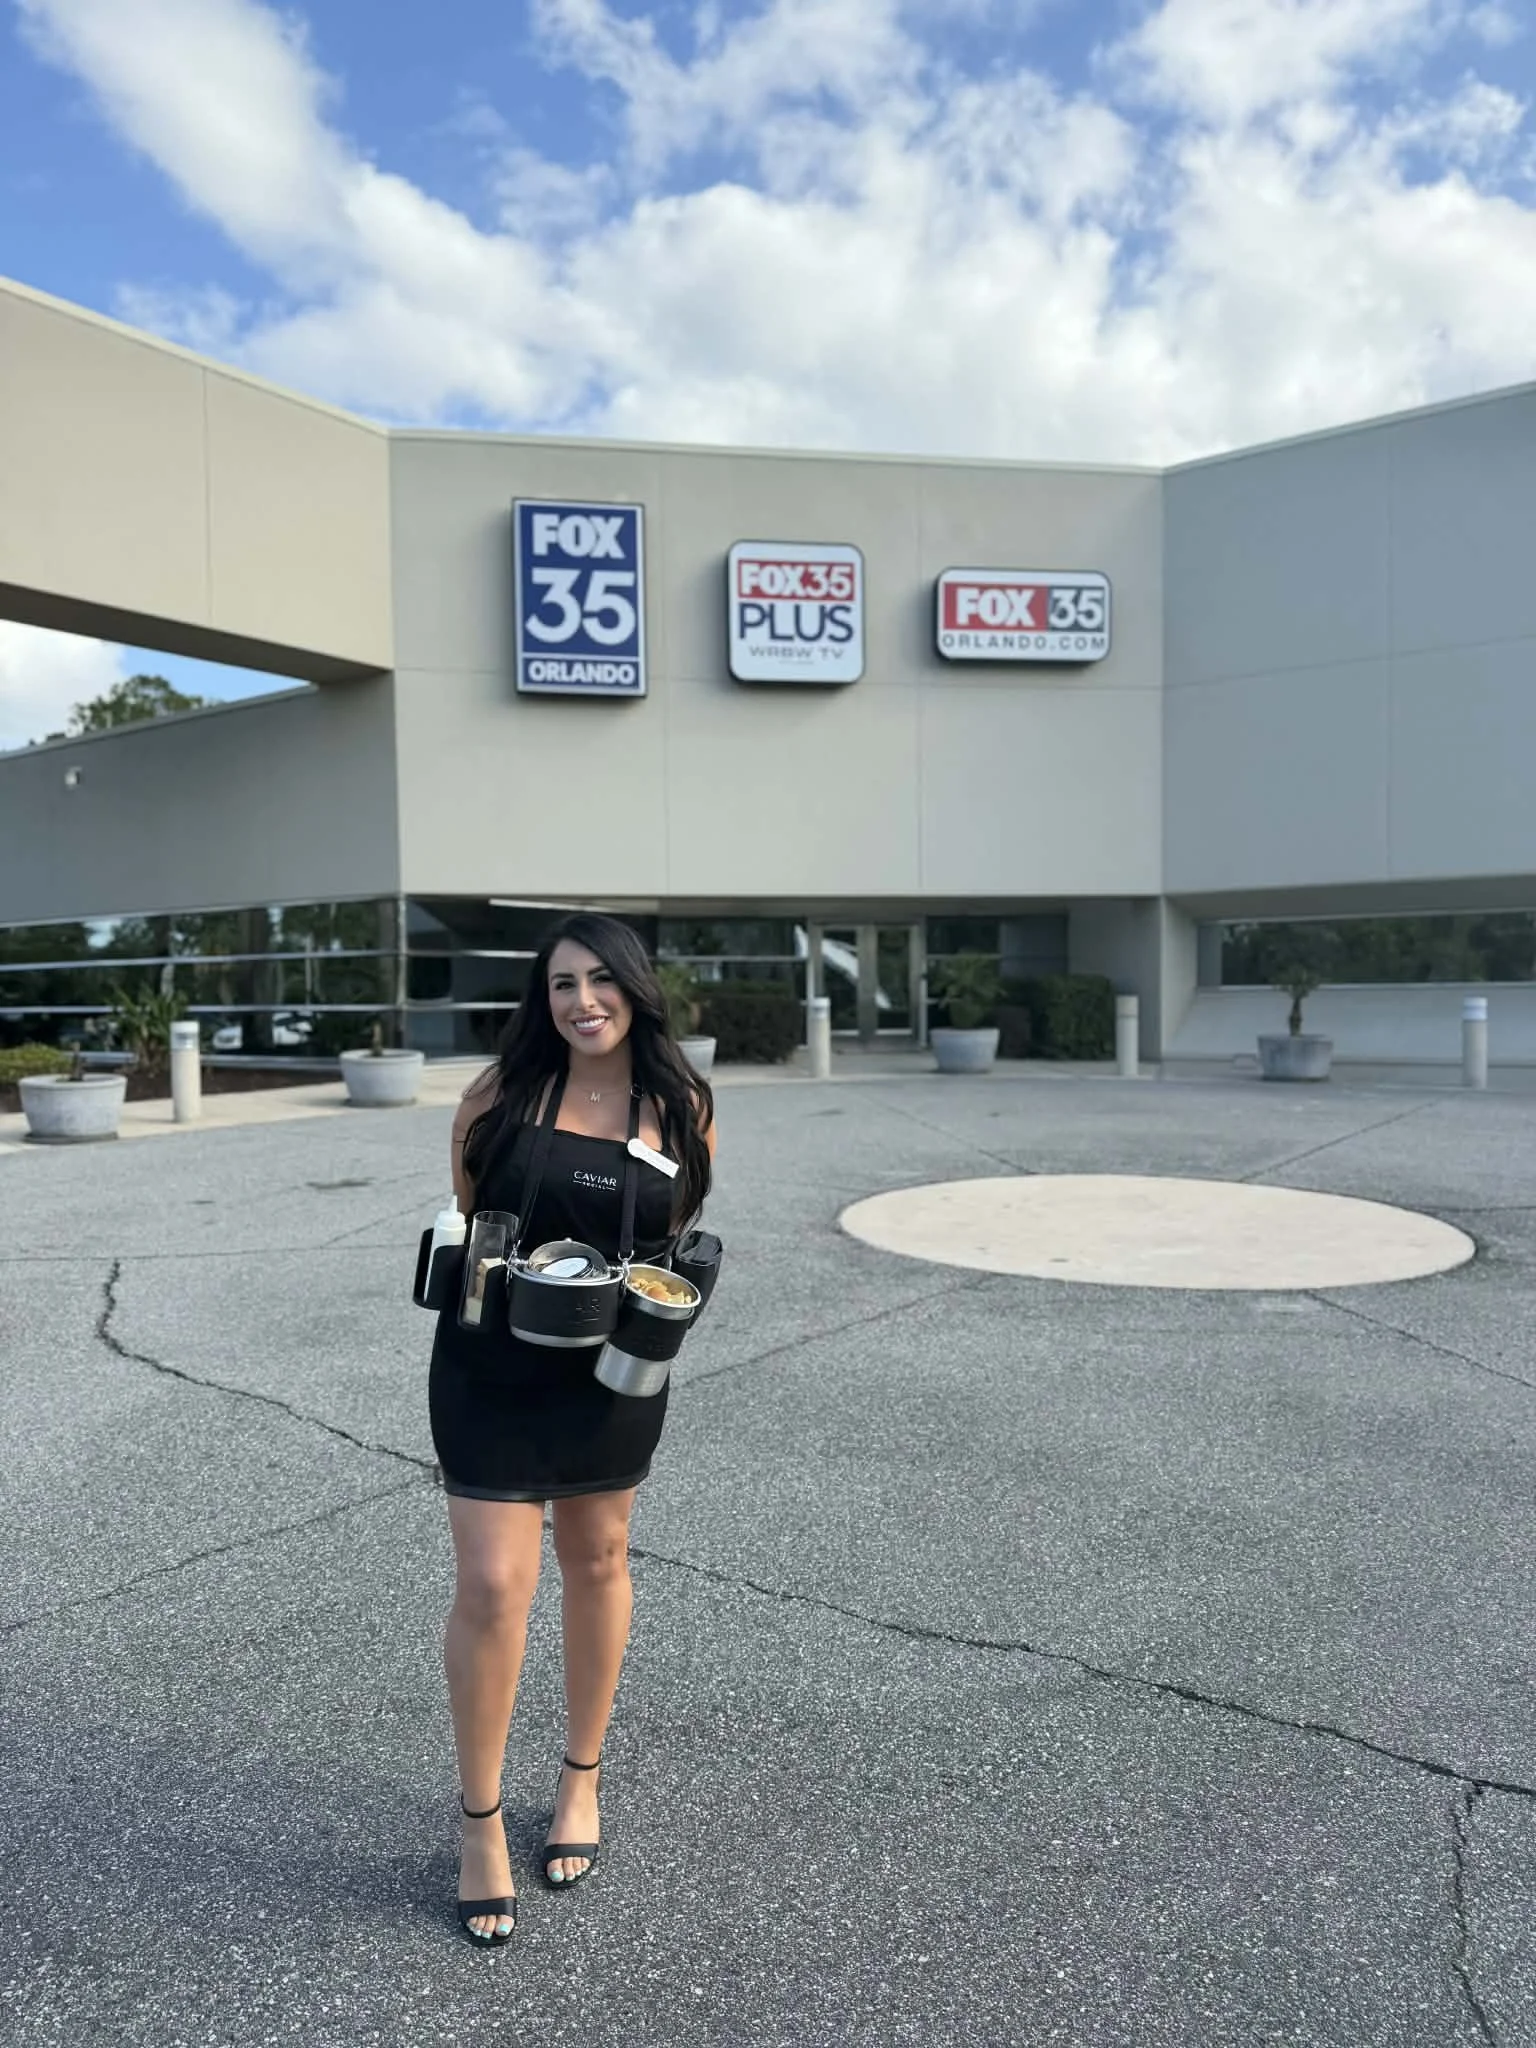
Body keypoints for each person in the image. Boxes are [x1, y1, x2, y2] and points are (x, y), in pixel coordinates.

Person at [428, 913, 716, 1946]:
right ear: (540, 997)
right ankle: (480, 1821)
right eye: (562, 983)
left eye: (601, 979)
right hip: (492, 1366)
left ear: (636, 988)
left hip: (611, 1372)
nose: (582, 1000)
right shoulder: (498, 1096)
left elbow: (674, 1239)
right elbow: (468, 1217)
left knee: (599, 1558)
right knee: (495, 1584)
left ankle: (580, 1780)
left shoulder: (679, 1107)